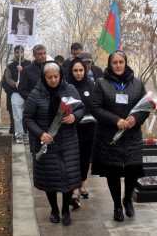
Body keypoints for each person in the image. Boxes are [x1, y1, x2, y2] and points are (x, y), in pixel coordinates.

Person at [90, 50, 150, 222]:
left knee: (133, 171)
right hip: (109, 136)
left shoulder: (137, 83)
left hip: (131, 136)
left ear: (126, 63)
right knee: (113, 173)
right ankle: (117, 205)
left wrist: (136, 119)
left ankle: (127, 199)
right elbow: (95, 108)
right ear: (110, 64)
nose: (118, 65)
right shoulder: (101, 83)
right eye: (114, 62)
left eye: (120, 62)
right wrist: (116, 120)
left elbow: (146, 107)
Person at [23, 61, 85, 226]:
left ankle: (65, 210)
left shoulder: (70, 90)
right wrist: (40, 134)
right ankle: (54, 210)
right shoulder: (36, 94)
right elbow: (27, 118)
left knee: (67, 178)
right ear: (44, 77)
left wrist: (74, 117)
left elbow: (81, 108)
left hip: (67, 141)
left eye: (56, 76)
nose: (53, 80)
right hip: (46, 142)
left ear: (61, 75)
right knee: (49, 179)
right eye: (49, 77)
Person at [67, 58, 95, 208]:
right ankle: (75, 189)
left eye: (81, 70)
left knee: (85, 158)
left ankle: (82, 182)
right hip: (71, 128)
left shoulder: (91, 84)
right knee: (73, 158)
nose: (78, 74)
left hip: (88, 128)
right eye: (75, 71)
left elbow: (96, 104)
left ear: (85, 71)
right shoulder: (66, 85)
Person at [18, 44, 47, 151]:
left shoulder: (51, 68)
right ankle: (34, 153)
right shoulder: (27, 70)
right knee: (34, 133)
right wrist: (33, 99)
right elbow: (22, 90)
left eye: (44, 53)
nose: (43, 56)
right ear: (34, 55)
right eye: (40, 54)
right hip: (34, 109)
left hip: (48, 108)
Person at [5, 45, 31, 143]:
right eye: (17, 52)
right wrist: (14, 84)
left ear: (24, 52)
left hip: (28, 93)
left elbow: (32, 75)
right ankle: (19, 135)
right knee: (17, 116)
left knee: (29, 115)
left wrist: (23, 70)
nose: (19, 54)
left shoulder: (29, 64)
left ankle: (29, 134)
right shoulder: (10, 66)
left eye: (21, 52)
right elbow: (7, 78)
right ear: (14, 53)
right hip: (16, 93)